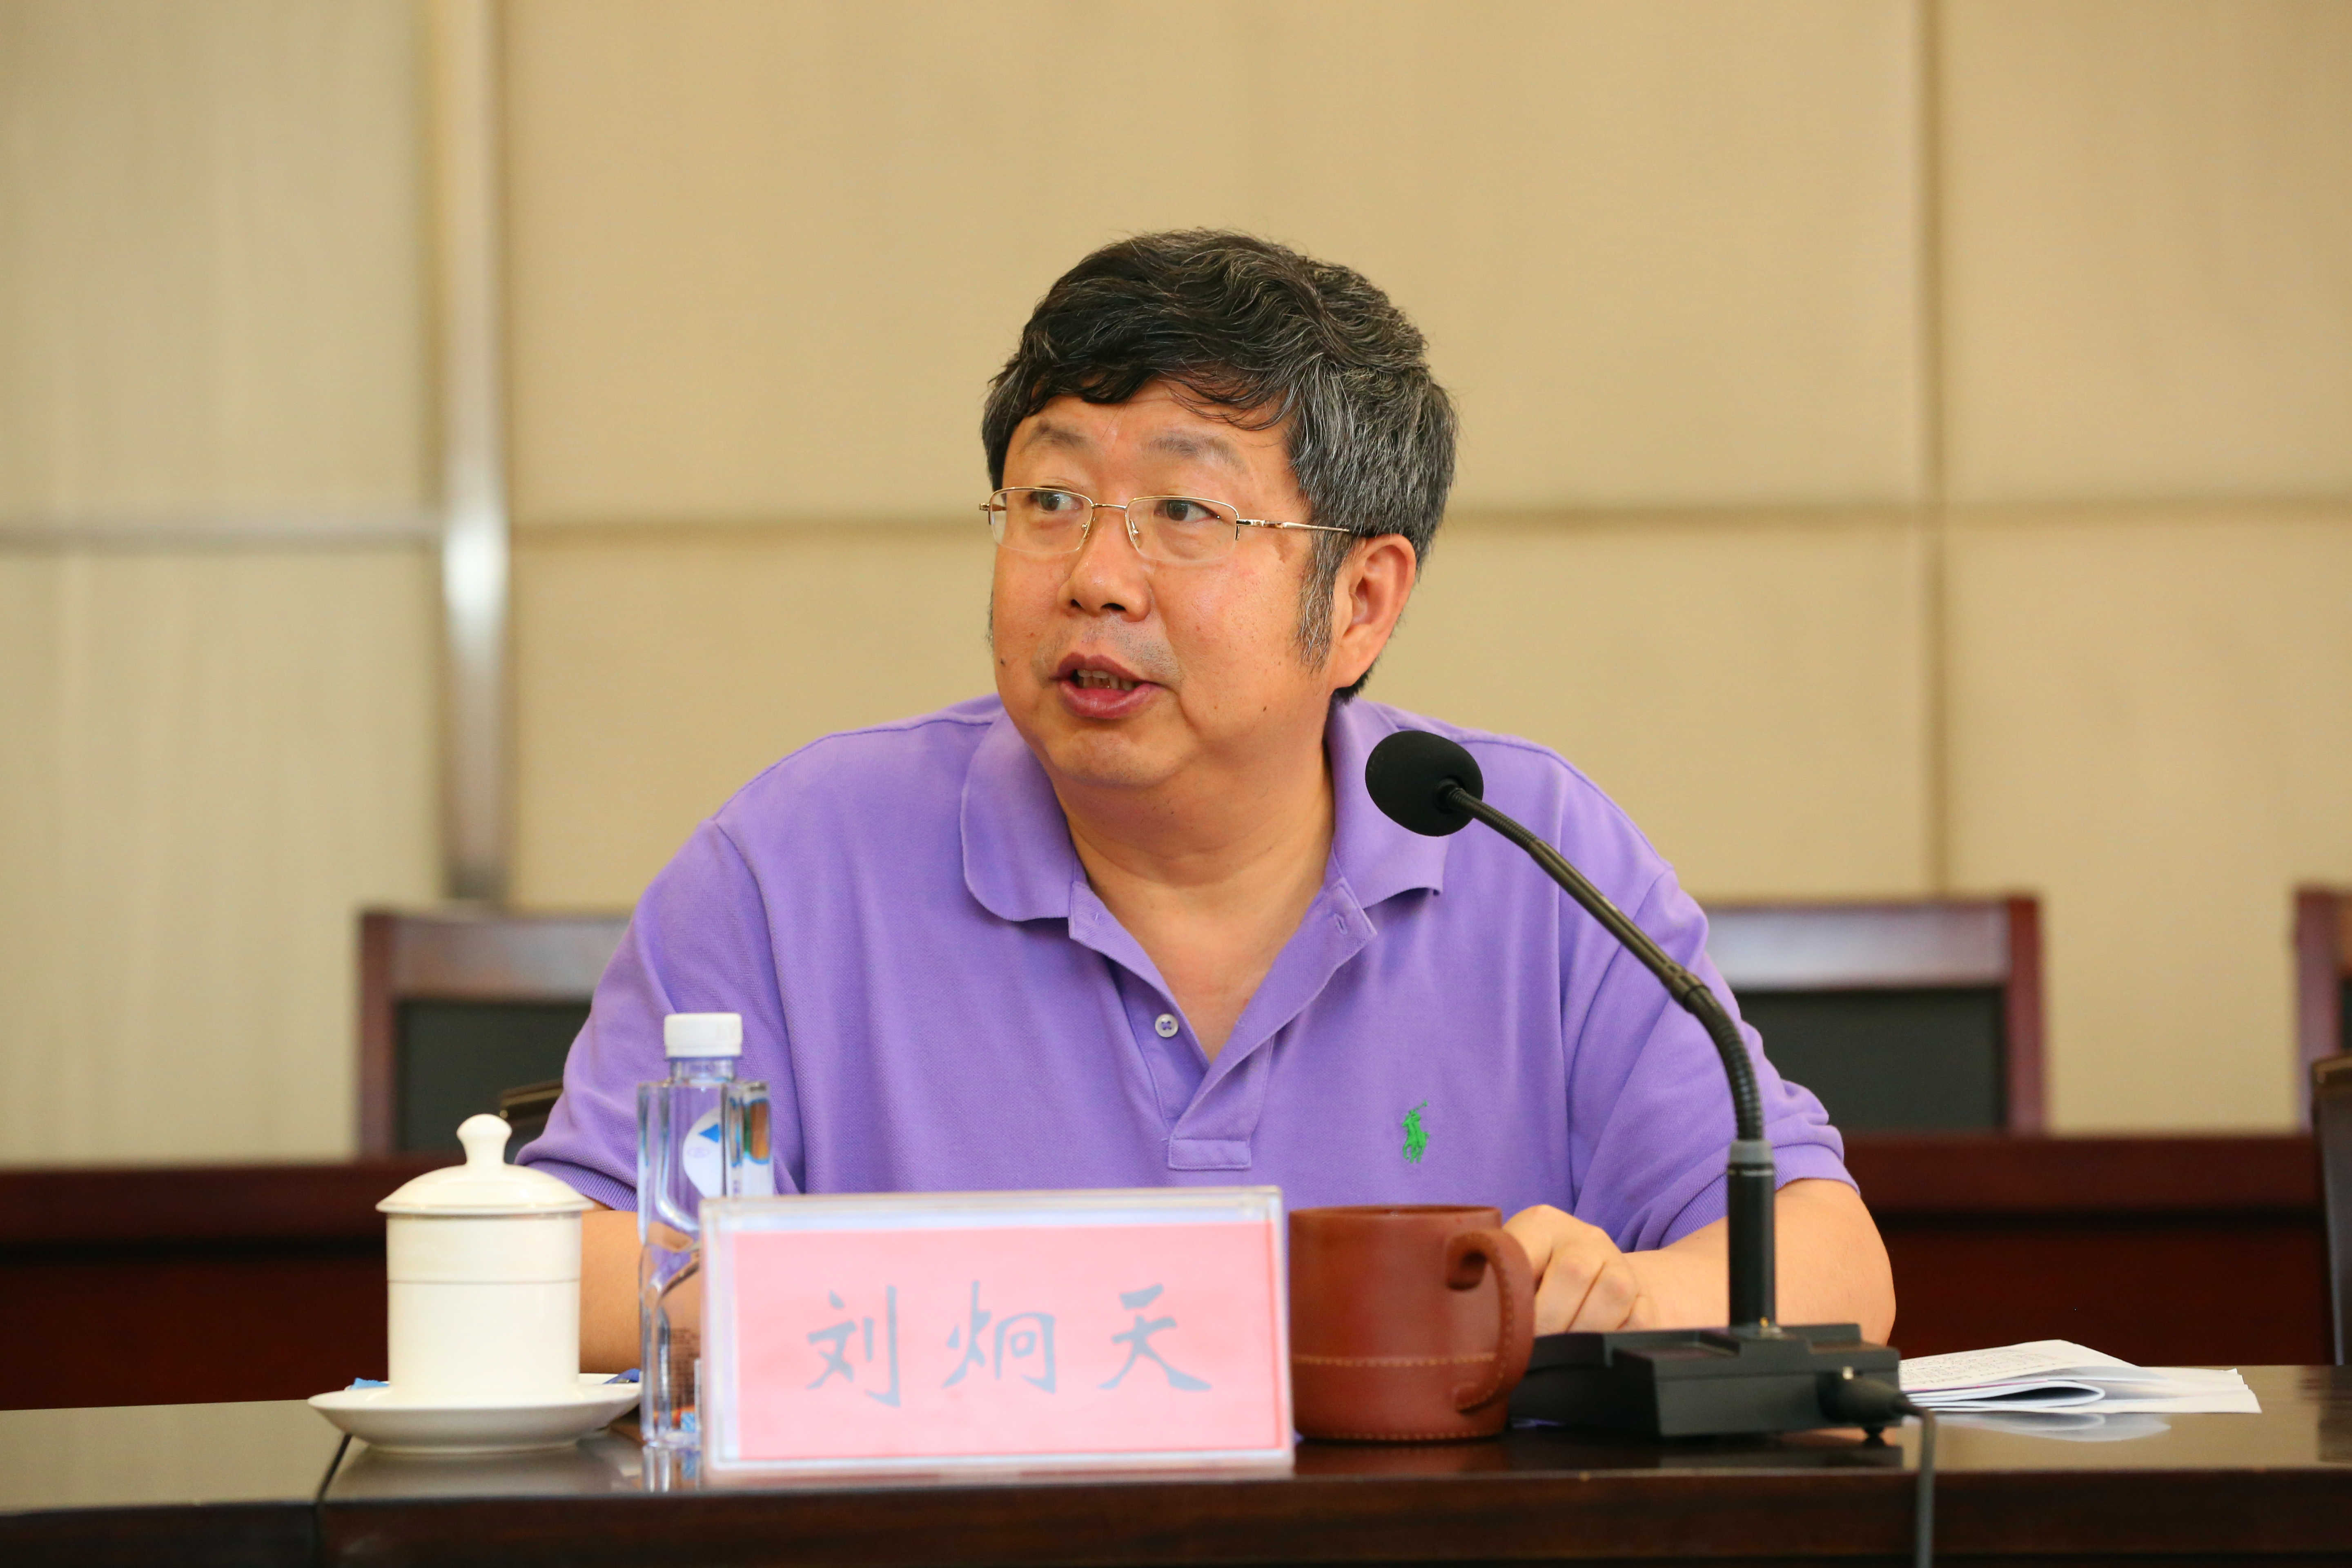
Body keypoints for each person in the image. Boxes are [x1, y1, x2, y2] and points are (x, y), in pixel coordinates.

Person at [521, 230, 1895, 1371]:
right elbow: (558, 1275)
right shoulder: (797, 862)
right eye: (1050, 499)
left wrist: (1629, 1301)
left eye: (1184, 515)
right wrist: (964, 1312)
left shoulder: (1519, 849)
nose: (1096, 577)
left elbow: (1833, 1263)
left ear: (1362, 602)